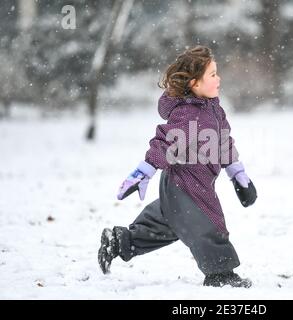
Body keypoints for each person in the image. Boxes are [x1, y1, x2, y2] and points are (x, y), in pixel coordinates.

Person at [98, 46, 257, 288]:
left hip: (194, 185)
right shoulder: (188, 114)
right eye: (212, 74)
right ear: (194, 83)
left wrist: (238, 175)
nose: (219, 78)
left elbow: (224, 141)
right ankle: (221, 274)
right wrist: (143, 172)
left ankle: (121, 242)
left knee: (168, 224)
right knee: (208, 224)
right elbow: (165, 142)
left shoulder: (214, 109)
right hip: (186, 186)